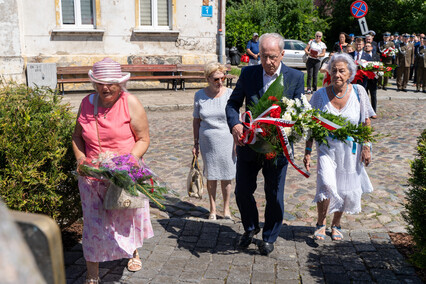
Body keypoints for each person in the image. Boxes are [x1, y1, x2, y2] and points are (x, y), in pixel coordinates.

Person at [72, 58, 153, 283]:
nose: (105, 87)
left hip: (123, 175)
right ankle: (92, 275)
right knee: (93, 224)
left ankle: (132, 251)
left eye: (110, 83)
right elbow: (77, 136)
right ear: (94, 83)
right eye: (100, 82)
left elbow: (143, 139)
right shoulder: (87, 103)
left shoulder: (131, 103)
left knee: (126, 216)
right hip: (92, 178)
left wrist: (128, 161)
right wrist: (80, 158)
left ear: (120, 83)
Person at [226, 33, 304, 256]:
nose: (268, 62)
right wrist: (235, 125)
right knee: (242, 191)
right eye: (263, 57)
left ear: (282, 54)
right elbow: (232, 104)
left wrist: (291, 131)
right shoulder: (248, 73)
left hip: (277, 148)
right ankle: (251, 227)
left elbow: (300, 112)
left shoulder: (295, 77)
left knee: (274, 195)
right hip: (249, 145)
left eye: (273, 57)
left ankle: (269, 236)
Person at [303, 53, 375, 241]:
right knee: (326, 183)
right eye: (333, 70)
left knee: (344, 187)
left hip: (350, 150)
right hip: (327, 148)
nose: (337, 74)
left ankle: (336, 224)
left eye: (342, 71)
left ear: (350, 72)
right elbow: (311, 124)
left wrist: (366, 147)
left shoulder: (359, 92)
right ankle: (320, 223)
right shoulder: (319, 95)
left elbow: (366, 122)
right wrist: (308, 151)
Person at [192, 62, 236, 220]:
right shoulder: (199, 95)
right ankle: (212, 208)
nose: (220, 82)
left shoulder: (230, 94)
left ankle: (226, 209)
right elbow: (196, 121)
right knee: (211, 175)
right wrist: (195, 143)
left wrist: (237, 140)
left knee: (227, 174)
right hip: (207, 141)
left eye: (222, 78)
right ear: (208, 78)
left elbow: (236, 119)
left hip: (227, 140)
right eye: (216, 79)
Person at [364, 42, 380, 113]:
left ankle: (373, 111)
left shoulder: (376, 56)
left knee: (373, 96)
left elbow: (379, 66)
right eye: (366, 46)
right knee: (364, 96)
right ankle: (366, 111)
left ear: (371, 48)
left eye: (368, 46)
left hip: (373, 79)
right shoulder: (362, 56)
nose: (367, 47)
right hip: (364, 79)